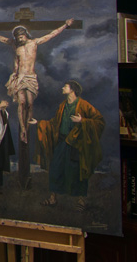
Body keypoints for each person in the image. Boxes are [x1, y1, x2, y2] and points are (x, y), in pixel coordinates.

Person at [0, 19, 74, 143]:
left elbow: (51, 34)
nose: (20, 39)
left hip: (30, 77)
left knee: (29, 103)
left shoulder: (34, 43)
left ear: (26, 35)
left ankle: (27, 129)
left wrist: (65, 25)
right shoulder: (14, 44)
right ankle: (23, 129)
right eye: (18, 37)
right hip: (19, 77)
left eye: (21, 37)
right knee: (21, 103)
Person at [36, 81, 105, 211]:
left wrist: (82, 121)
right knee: (55, 168)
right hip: (63, 142)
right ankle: (53, 198)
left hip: (77, 144)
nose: (62, 88)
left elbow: (99, 121)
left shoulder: (83, 105)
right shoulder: (62, 106)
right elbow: (55, 123)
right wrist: (39, 123)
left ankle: (81, 201)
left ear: (72, 90)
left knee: (78, 171)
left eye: (65, 86)